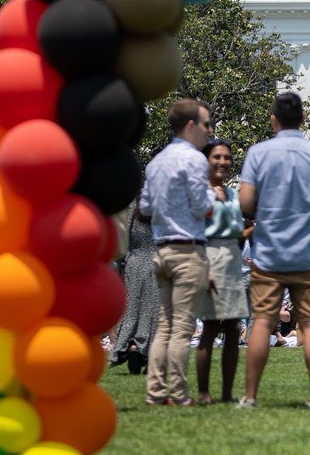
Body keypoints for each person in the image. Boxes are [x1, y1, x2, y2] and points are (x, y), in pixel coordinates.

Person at [238, 92, 310, 410]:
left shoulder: (258, 153)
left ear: (273, 119)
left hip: (269, 253)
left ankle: (250, 396)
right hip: (309, 253)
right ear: (303, 119)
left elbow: (245, 203)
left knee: (262, 321)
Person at [138, 99, 215, 407]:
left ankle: (156, 393)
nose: (210, 130)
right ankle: (180, 395)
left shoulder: (156, 162)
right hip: (187, 250)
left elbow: (145, 207)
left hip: (162, 249)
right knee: (182, 329)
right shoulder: (195, 159)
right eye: (207, 124)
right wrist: (213, 194)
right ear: (191, 125)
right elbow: (201, 206)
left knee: (164, 326)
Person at [195, 138, 248, 405]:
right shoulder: (199, 192)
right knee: (211, 325)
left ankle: (227, 393)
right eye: (216, 157)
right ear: (205, 160)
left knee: (233, 327)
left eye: (227, 157)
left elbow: (237, 231)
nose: (223, 162)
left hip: (233, 259)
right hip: (210, 256)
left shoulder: (234, 194)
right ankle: (204, 392)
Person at [112, 203, 160, 375]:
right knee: (152, 312)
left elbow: (123, 238)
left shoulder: (131, 208)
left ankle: (132, 345)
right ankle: (149, 352)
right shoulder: (161, 205)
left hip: (134, 262)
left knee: (132, 310)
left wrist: (121, 262)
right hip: (157, 261)